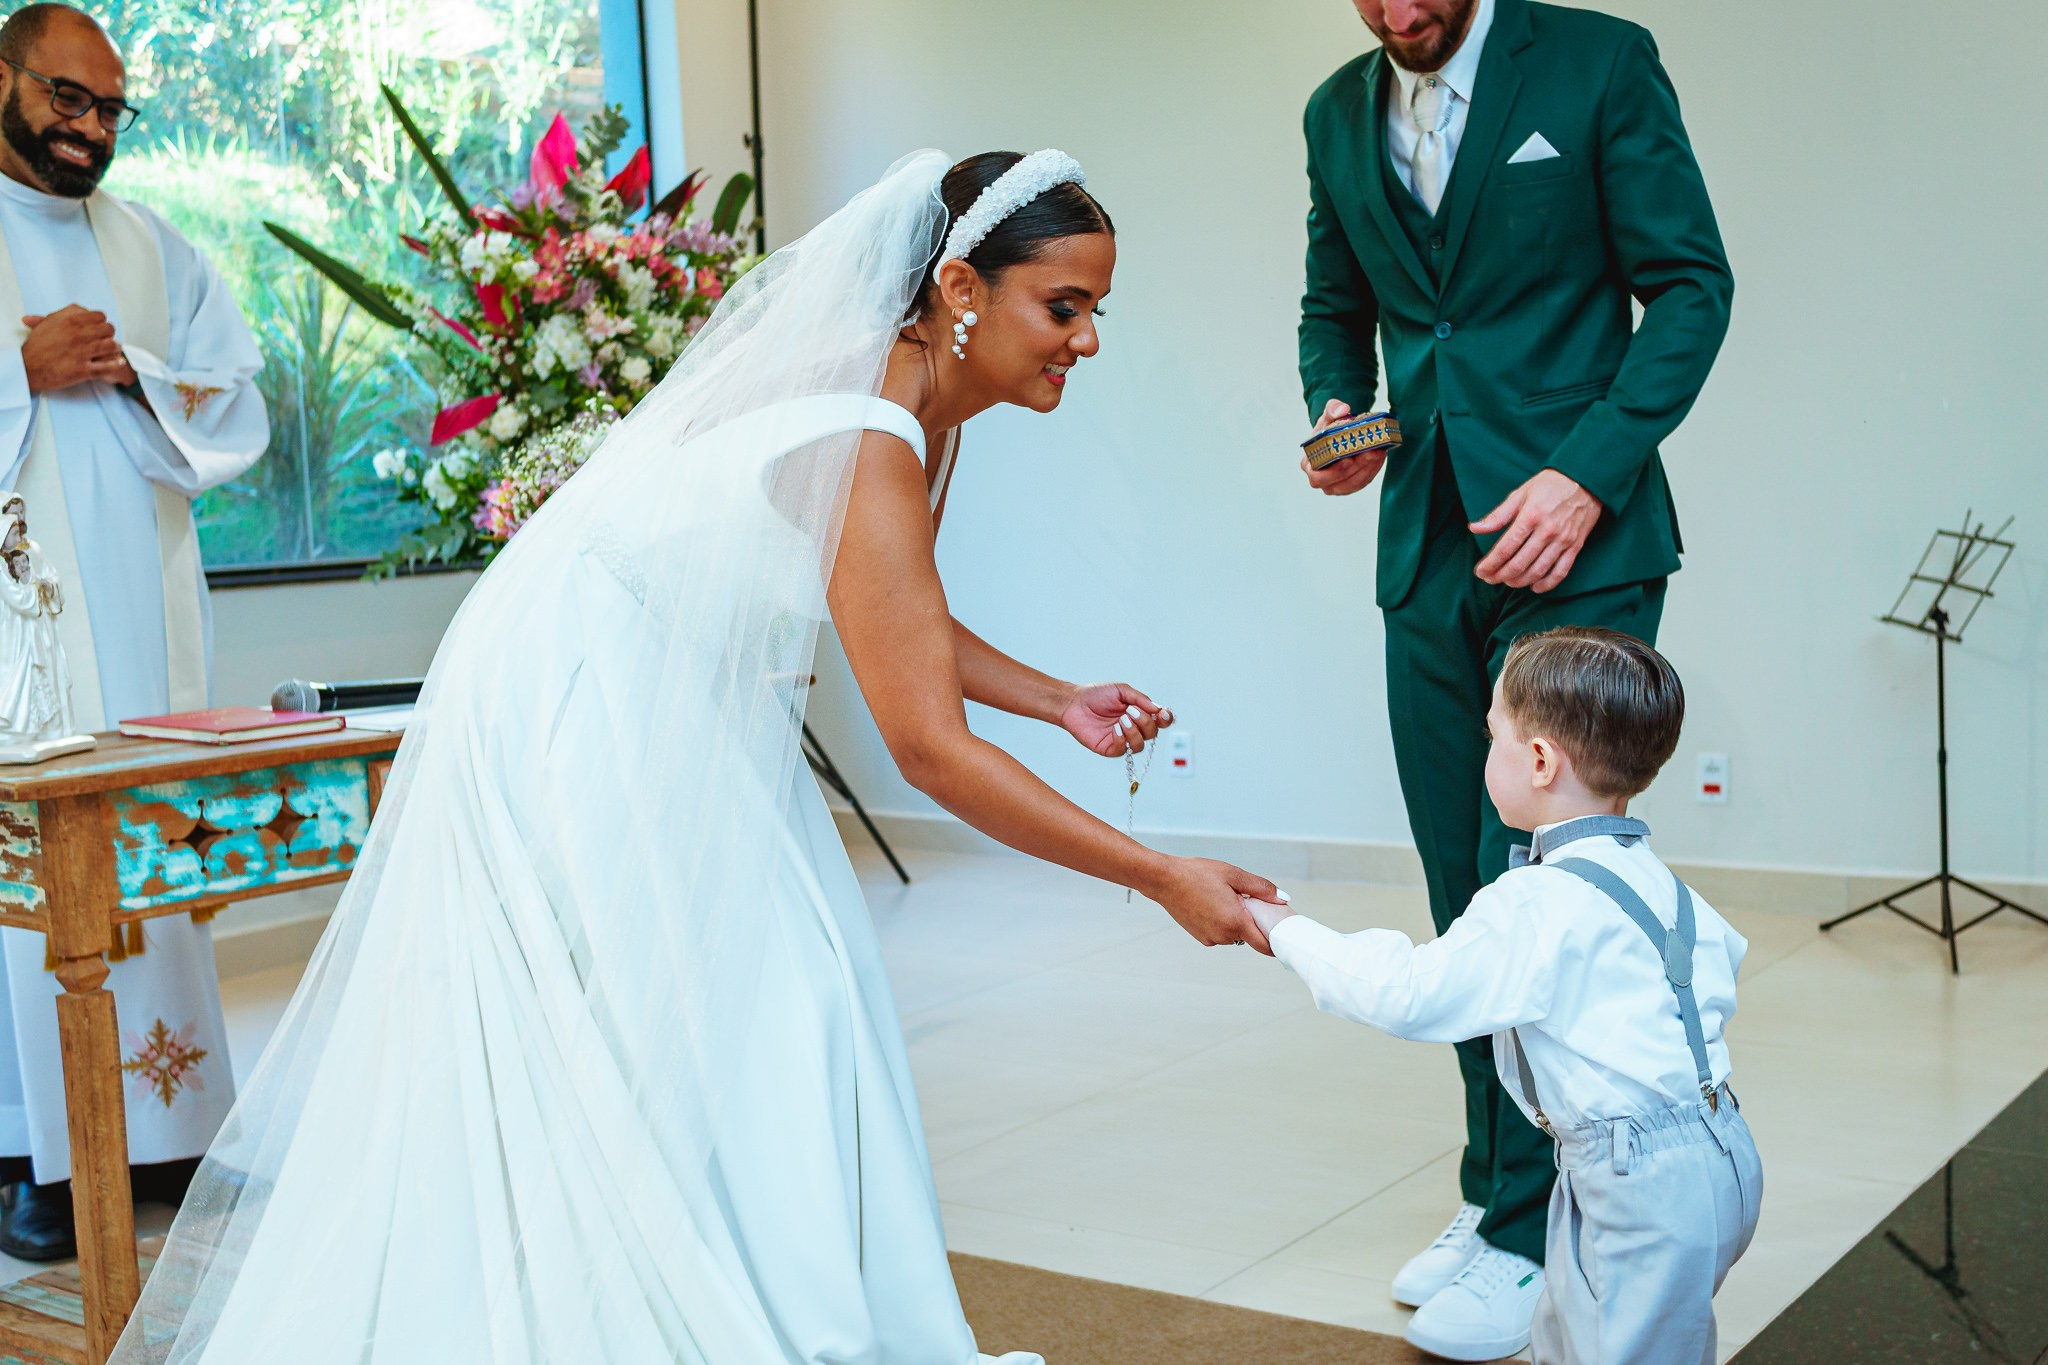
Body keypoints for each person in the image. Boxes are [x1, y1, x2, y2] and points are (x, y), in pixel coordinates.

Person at [113, 149, 1278, 1362]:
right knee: (732, 1006)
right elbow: (928, 748)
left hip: (650, 681)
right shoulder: (869, 428)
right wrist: (1154, 875)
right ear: (958, 288)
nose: (1085, 341)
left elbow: (884, 603)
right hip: (589, 694)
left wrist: (1055, 700)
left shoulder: (902, 410)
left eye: (1096, 311)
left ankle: (763, 1287)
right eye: (1064, 307)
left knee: (789, 993)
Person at [1294, 0, 1733, 1351]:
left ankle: (1528, 1231)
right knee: (1462, 880)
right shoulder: (1331, 111)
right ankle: (1501, 1187)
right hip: (1425, 543)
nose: (1398, 12)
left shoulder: (1598, 62)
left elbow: (1691, 286)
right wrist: (1335, 405)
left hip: (1581, 541)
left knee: (1539, 882)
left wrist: (1588, 473)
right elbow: (1338, 303)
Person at [1248, 628, 1761, 1363]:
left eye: (1494, 738)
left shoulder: (1536, 901)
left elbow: (1406, 992)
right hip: (1720, 1150)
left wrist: (1285, 930)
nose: (1486, 754)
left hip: (1634, 1179)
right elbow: (1716, 977)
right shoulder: (1661, 881)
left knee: (1616, 1343)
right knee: (1595, 1330)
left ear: (1542, 761)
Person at [0, 3, 267, 1260]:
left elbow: (234, 399)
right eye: (68, 99)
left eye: (110, 111)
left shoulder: (152, 248)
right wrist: (18, 367)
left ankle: (171, 1132)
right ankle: (41, 1159)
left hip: (146, 620)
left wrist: (134, 373)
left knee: (150, 848)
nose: (91, 131)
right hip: (21, 637)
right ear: (3, 79)